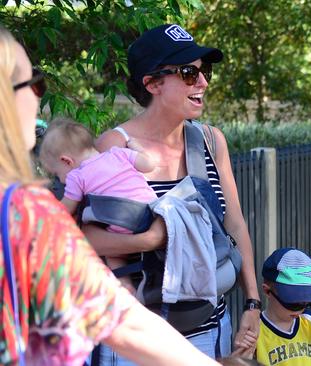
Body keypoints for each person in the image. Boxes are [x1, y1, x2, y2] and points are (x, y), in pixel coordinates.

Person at [0, 25, 220, 366]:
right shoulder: (22, 214)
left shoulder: (208, 141)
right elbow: (120, 319)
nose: (38, 96)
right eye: (34, 84)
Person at [89, 24, 261, 363]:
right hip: (137, 339)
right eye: (188, 73)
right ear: (152, 83)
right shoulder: (115, 146)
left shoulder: (211, 141)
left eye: (204, 71)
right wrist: (151, 240)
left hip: (209, 329)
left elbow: (235, 225)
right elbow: (89, 240)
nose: (203, 82)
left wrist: (253, 303)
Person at [39, 119, 157, 293]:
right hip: (151, 211)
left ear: (66, 161)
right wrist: (136, 147)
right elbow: (149, 165)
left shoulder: (76, 176)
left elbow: (65, 210)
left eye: (57, 173)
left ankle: (125, 286)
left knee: (113, 254)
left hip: (123, 221)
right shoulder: (118, 153)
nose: (60, 180)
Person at [252, 248, 311, 365]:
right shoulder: (256, 328)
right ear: (268, 291)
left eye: (306, 303)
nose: (300, 309)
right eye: (292, 303)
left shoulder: (309, 320)